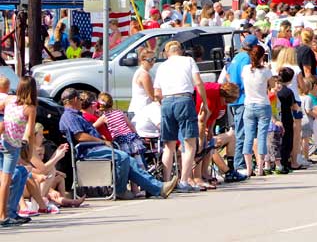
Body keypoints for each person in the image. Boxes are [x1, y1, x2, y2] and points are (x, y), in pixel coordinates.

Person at [59, 88, 179, 200]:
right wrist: (102, 141)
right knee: (122, 157)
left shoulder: (75, 115)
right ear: (74, 99)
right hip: (87, 151)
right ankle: (120, 190)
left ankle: (158, 188)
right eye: (79, 99)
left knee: (130, 160)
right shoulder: (69, 116)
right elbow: (80, 136)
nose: (81, 102)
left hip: (93, 148)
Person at [153, 41, 209, 193]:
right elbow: (198, 82)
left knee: (168, 145)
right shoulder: (188, 61)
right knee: (189, 143)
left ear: (166, 53)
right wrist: (204, 103)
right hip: (184, 99)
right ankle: (184, 180)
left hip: (166, 101)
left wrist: (162, 102)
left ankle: (165, 182)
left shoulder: (162, 66)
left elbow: (157, 93)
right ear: (181, 51)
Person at [93, 92, 148, 197]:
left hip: (120, 141)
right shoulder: (119, 112)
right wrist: (137, 135)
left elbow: (93, 126)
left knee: (129, 164)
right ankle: (138, 189)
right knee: (136, 163)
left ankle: (134, 190)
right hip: (131, 139)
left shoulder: (104, 117)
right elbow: (130, 125)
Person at [0, 76, 35, 226]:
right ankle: (3, 215)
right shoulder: (30, 108)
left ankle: (10, 212)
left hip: (2, 140)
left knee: (14, 176)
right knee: (6, 181)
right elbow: (30, 132)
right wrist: (29, 153)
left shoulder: (9, 100)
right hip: (12, 145)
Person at [223, 34, 258, 173]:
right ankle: (239, 163)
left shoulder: (236, 57)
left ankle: (240, 162)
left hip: (234, 99)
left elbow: (229, 75)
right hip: (242, 98)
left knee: (240, 130)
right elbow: (245, 78)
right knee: (243, 131)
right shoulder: (246, 59)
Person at [241, 45, 273, 177]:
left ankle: (248, 168)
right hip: (263, 104)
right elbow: (271, 85)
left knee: (248, 136)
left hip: (249, 104)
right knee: (261, 136)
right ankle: (260, 167)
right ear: (261, 57)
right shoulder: (265, 71)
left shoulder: (245, 69)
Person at [276, 67, 300, 173]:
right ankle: (285, 162)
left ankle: (277, 162)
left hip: (276, 116)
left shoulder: (275, 90)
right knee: (287, 141)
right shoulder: (288, 92)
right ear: (290, 79)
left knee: (277, 141)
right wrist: (299, 109)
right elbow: (294, 106)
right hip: (287, 118)